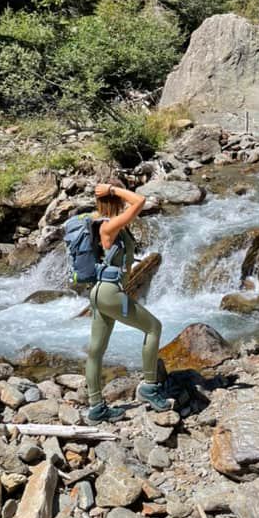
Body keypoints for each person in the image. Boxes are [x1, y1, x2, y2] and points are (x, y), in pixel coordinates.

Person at [85, 178, 170, 421]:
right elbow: (140, 201)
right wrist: (113, 189)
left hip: (101, 292)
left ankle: (96, 408)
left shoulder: (99, 221)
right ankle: (149, 387)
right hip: (110, 293)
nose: (125, 201)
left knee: (96, 351)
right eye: (120, 199)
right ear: (115, 201)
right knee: (154, 328)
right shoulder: (109, 226)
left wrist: (108, 193)